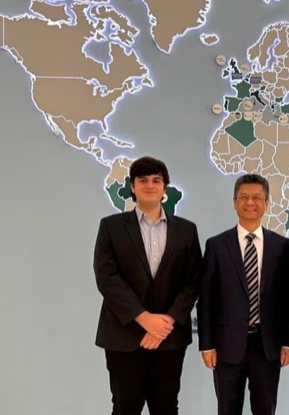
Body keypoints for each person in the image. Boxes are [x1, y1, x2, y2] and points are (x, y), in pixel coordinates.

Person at [93, 156, 202, 415]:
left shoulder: (186, 230)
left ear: (165, 188)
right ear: (132, 187)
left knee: (166, 408)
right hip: (124, 336)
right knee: (125, 408)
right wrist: (143, 319)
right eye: (142, 180)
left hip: (169, 337)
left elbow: (193, 280)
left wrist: (166, 322)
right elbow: (107, 277)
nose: (150, 185)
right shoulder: (111, 227)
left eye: (156, 180)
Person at [198, 174, 289, 415]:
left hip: (267, 345)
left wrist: (288, 341)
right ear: (234, 202)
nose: (250, 202)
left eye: (256, 197)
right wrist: (207, 345)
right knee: (227, 410)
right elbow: (206, 299)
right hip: (227, 345)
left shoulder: (281, 246)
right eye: (243, 197)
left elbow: (288, 299)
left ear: (267, 203)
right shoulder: (216, 245)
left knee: (265, 409)